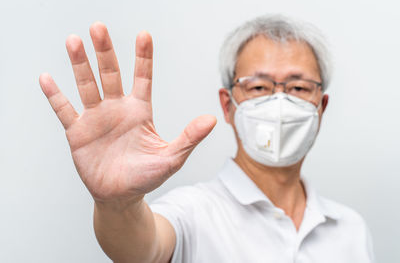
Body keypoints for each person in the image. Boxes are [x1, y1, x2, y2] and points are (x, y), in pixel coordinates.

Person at [39, 14, 374, 263]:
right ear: (228, 105)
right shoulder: (192, 213)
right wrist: (117, 204)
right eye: (258, 87)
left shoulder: (351, 230)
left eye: (299, 88)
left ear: (321, 106)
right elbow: (143, 248)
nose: (279, 102)